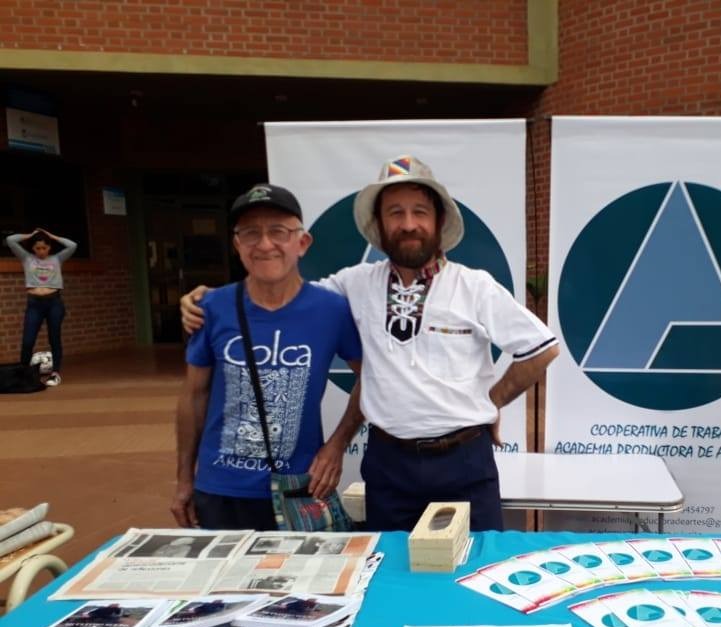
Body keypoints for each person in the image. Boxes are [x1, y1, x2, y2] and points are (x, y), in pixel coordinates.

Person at [181, 157, 559, 532]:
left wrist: (490, 402)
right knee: (389, 573)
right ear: (379, 225)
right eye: (395, 213)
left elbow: (542, 349)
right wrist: (209, 299)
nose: (408, 224)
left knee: (470, 566)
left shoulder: (474, 286)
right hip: (389, 464)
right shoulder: (353, 284)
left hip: (463, 462)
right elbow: (282, 292)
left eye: (419, 212)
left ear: (438, 222)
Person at [171, 184, 362, 530]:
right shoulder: (210, 308)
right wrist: (184, 479)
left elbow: (370, 377)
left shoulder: (331, 310)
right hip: (219, 488)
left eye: (278, 231)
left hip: (297, 487)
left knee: (302, 582)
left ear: (302, 243)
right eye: (250, 233)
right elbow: (193, 395)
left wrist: (337, 445)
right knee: (223, 584)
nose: (264, 244)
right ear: (237, 245)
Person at [4, 227, 77, 387]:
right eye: (38, 248)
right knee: (28, 341)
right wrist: (30, 235)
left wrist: (52, 236)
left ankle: (55, 373)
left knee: (54, 338)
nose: (41, 251)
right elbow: (11, 240)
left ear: (49, 247)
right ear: (33, 248)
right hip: (34, 304)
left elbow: (72, 245)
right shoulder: (26, 258)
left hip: (54, 303)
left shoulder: (57, 259)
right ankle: (23, 373)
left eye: (44, 247)